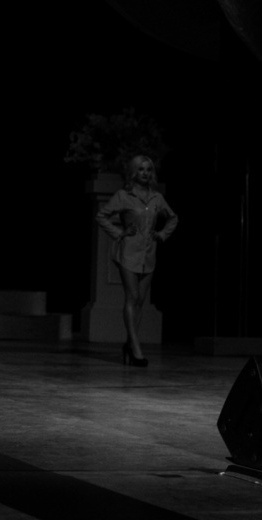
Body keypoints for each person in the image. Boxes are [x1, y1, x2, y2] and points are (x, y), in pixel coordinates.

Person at [94, 155, 178, 368]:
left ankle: (129, 345)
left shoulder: (156, 198)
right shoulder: (124, 196)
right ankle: (136, 348)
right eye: (141, 169)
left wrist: (162, 234)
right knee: (132, 296)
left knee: (140, 299)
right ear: (133, 172)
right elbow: (101, 216)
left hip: (148, 253)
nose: (145, 173)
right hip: (129, 251)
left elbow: (173, 218)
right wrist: (119, 232)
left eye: (148, 169)